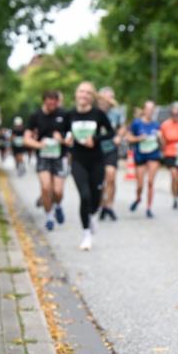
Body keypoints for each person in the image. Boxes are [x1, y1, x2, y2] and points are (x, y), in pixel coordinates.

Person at [64, 82, 115, 251]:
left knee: (95, 197)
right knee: (84, 196)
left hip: (96, 160)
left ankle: (93, 214)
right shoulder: (69, 114)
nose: (84, 95)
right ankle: (86, 234)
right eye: (81, 91)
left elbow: (110, 132)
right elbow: (64, 132)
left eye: (87, 93)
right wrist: (67, 139)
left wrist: (95, 140)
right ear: (76, 94)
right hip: (78, 160)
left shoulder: (98, 114)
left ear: (92, 97)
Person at [24, 90, 68, 231]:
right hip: (43, 157)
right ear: (44, 101)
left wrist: (61, 139)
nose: (52, 106)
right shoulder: (35, 116)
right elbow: (26, 139)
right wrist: (39, 145)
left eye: (55, 103)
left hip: (59, 157)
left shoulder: (63, 114)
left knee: (58, 191)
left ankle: (58, 206)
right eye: (50, 103)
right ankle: (49, 216)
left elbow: (70, 138)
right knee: (46, 187)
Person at [126, 101, 162, 218]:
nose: (150, 111)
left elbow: (163, 143)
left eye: (152, 109)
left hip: (153, 154)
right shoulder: (137, 123)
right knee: (140, 185)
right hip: (140, 155)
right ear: (144, 110)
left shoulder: (156, 125)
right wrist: (139, 138)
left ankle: (149, 208)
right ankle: (138, 198)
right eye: (148, 109)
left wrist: (160, 138)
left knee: (151, 182)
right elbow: (129, 138)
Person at [97, 86, 125, 221]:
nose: (108, 101)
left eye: (110, 98)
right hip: (96, 150)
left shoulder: (116, 112)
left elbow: (122, 127)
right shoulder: (94, 112)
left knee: (111, 176)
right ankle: (102, 205)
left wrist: (119, 136)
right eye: (106, 98)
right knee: (100, 180)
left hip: (111, 148)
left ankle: (110, 206)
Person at [160, 102, 178, 210]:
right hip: (170, 153)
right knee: (174, 176)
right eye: (173, 114)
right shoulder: (165, 125)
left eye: (177, 114)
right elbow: (163, 140)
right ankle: (175, 198)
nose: (175, 116)